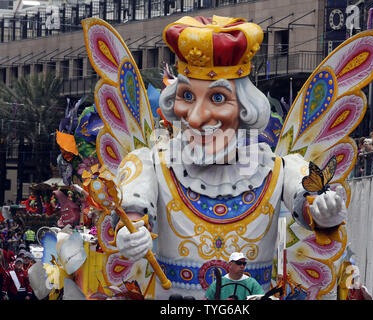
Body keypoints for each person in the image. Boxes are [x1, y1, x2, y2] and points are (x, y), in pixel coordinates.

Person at [113, 15, 348, 299]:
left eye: (217, 98)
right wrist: (130, 234)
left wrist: (325, 212)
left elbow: (311, 205)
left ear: (246, 108)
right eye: (187, 96)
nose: (197, 118)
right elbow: (134, 214)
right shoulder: (151, 164)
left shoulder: (278, 169)